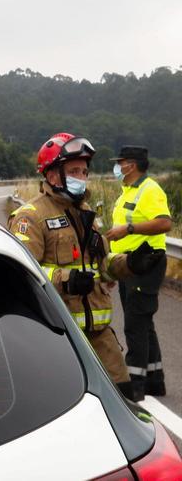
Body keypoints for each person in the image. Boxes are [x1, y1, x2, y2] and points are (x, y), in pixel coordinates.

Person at [7, 133, 163, 400]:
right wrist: (66, 278)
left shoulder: (85, 212)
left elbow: (101, 265)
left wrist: (130, 264)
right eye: (74, 171)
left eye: (84, 171)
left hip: (102, 340)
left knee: (125, 406)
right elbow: (22, 273)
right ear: (52, 174)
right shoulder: (30, 217)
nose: (82, 177)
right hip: (60, 339)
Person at [105, 145, 173, 401]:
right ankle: (155, 381)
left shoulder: (150, 189)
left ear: (131, 165)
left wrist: (129, 229)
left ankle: (134, 385)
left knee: (135, 324)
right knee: (144, 323)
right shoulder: (127, 191)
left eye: (120, 162)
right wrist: (112, 269)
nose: (117, 167)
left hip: (146, 263)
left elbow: (165, 222)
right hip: (128, 265)